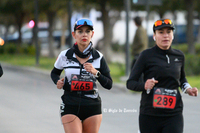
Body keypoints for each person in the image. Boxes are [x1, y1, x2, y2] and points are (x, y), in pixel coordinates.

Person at [126, 19, 198, 133]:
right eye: (161, 32)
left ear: (172, 35)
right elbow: (130, 83)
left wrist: (188, 89)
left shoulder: (179, 56)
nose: (165, 36)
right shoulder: (145, 55)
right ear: (154, 36)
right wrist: (145, 85)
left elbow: (182, 79)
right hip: (150, 115)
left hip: (174, 114)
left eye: (168, 32)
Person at [50, 18, 112, 133]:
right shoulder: (65, 55)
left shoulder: (99, 57)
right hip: (70, 103)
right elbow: (54, 73)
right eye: (80, 31)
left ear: (92, 34)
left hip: (92, 106)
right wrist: (57, 81)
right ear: (74, 34)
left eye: (88, 31)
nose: (84, 34)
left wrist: (96, 73)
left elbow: (109, 84)